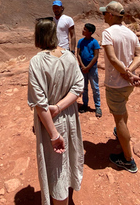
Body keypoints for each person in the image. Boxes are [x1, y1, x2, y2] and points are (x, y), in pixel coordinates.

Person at [27, 19, 85, 205]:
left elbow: (40, 103)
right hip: (70, 117)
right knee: (67, 161)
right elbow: (78, 87)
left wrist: (53, 134)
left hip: (51, 123)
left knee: (56, 169)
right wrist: (61, 106)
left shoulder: (37, 62)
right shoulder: (68, 56)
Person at [100, 1, 140, 173]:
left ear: (110, 15)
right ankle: (120, 133)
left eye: (105, 13)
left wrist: (126, 73)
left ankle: (128, 160)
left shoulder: (107, 33)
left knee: (118, 118)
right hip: (127, 84)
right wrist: (130, 72)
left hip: (115, 83)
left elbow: (111, 58)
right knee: (122, 108)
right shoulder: (131, 33)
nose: (103, 16)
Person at [76, 23, 102, 118]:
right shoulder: (80, 41)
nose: (83, 30)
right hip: (83, 68)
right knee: (84, 87)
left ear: (90, 32)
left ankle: (97, 106)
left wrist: (88, 67)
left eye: (85, 29)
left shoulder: (94, 42)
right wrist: (83, 66)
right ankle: (85, 104)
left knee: (95, 87)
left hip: (92, 68)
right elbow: (78, 54)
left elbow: (96, 56)